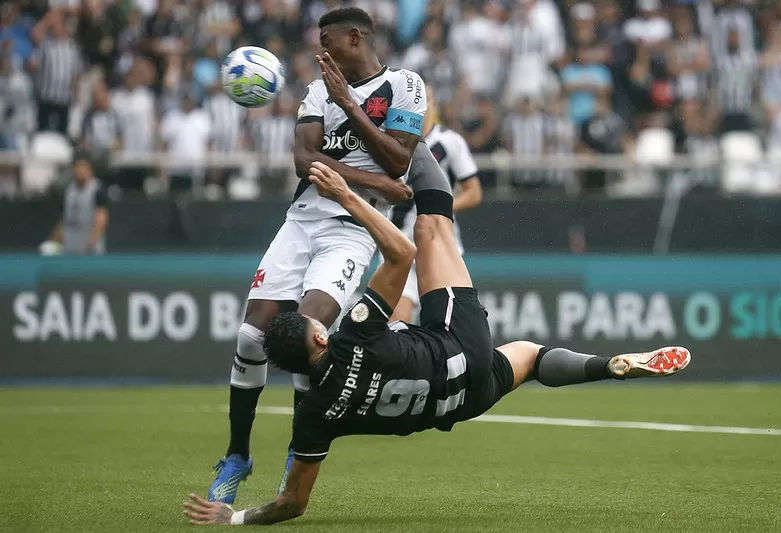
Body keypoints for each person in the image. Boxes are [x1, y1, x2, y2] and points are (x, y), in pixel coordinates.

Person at [182, 160, 691, 526]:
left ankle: (607, 365)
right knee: (430, 226)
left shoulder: (312, 413)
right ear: (320, 332)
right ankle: (416, 137)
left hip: (459, 401)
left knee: (532, 357)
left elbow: (292, 504)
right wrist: (351, 191)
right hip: (456, 346)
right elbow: (400, 252)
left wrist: (234, 521)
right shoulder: (351, 335)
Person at [208, 7, 426, 504]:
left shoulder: (405, 85)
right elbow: (306, 162)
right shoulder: (315, 90)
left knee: (310, 336)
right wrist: (380, 184)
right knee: (250, 334)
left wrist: (349, 107)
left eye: (327, 41)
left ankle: (296, 450)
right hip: (302, 219)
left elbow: (400, 158)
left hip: (353, 230)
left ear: (356, 36)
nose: (320, 52)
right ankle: (237, 455)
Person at [389, 84, 482, 323]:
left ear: (434, 104)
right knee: (398, 325)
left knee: (447, 323)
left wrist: (437, 209)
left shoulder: (450, 142)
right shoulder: (390, 141)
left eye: (426, 99)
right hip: (399, 244)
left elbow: (473, 193)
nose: (420, 106)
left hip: (440, 243)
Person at [43, 154, 109, 255]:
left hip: (89, 247)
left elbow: (101, 218)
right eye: (77, 167)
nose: (80, 170)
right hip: (70, 245)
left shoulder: (96, 189)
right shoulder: (69, 190)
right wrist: (53, 240)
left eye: (83, 167)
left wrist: (92, 241)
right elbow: (65, 220)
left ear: (90, 170)